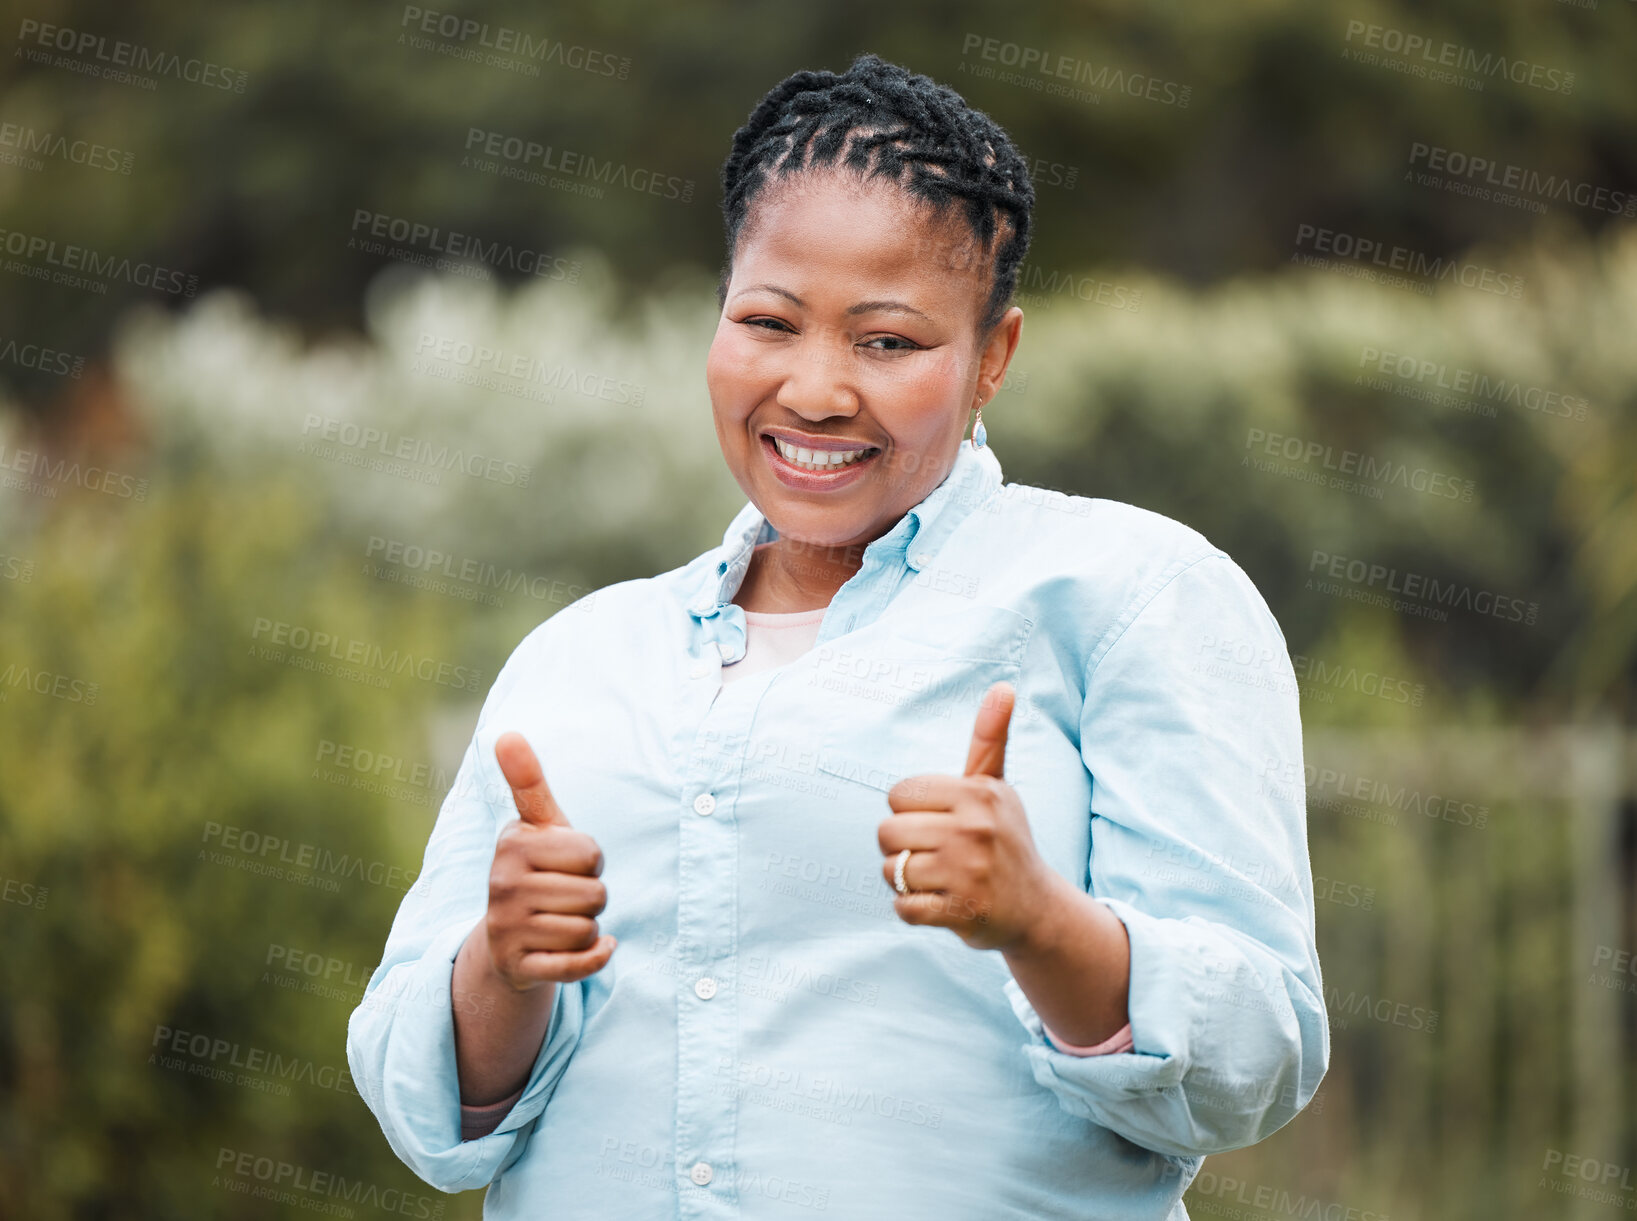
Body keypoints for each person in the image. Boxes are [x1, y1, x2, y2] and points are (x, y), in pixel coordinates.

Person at [347, 51, 1327, 1220]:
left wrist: (1040, 924)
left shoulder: (1127, 595)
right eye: (767, 321)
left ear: (990, 359)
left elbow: (1256, 1056)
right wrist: (499, 969)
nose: (814, 390)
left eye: (887, 342)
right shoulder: (580, 657)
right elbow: (425, 1115)